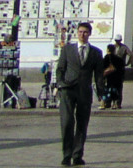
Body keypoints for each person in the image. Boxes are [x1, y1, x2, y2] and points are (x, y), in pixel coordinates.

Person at [55, 20, 106, 166]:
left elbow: (99, 75)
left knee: (82, 125)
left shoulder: (96, 52)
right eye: (80, 32)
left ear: (89, 34)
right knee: (67, 123)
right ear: (77, 33)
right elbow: (60, 68)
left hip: (84, 91)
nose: (82, 35)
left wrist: (101, 93)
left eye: (85, 32)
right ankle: (66, 154)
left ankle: (77, 155)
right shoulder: (68, 49)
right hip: (68, 90)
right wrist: (60, 84)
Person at [100, 43, 125, 110]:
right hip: (117, 79)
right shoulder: (119, 59)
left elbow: (101, 68)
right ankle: (116, 104)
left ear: (107, 50)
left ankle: (105, 104)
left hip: (108, 78)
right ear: (114, 50)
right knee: (116, 91)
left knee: (106, 91)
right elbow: (122, 70)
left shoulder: (105, 58)